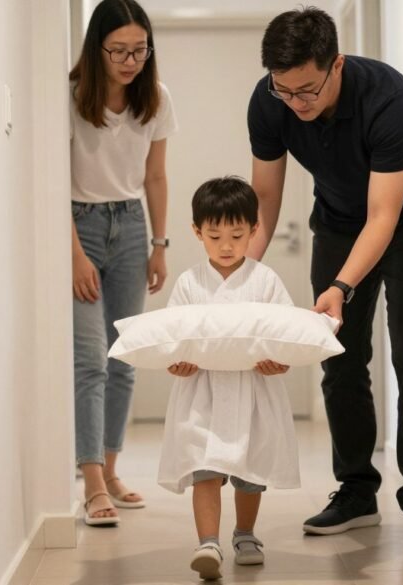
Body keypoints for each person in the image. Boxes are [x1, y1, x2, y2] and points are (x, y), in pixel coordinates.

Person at [246, 7, 403, 552]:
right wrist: (243, 270)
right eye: (284, 91)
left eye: (308, 90)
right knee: (337, 352)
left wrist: (339, 287)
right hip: (337, 218)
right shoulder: (269, 101)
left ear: (336, 65)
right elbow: (266, 198)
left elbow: (383, 216)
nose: (297, 103)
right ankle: (357, 492)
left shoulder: (387, 97)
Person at [157, 177, 300, 580]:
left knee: (249, 471)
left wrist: (280, 361)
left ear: (255, 229)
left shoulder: (266, 281)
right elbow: (173, 336)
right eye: (214, 235)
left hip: (253, 390)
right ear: (196, 232)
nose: (225, 246)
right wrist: (177, 361)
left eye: (237, 235)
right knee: (205, 466)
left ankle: (246, 533)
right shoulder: (189, 283)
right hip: (201, 392)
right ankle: (208, 543)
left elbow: (285, 333)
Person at [69, 0, 177, 527]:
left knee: (124, 357)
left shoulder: (155, 99)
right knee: (90, 359)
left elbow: (155, 176)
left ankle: (111, 469)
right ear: (97, 48)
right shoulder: (68, 98)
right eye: (119, 51)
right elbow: (53, 179)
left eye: (139, 50)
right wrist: (74, 255)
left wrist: (160, 242)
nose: (130, 60)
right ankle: (91, 483)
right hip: (79, 223)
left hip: (132, 226)